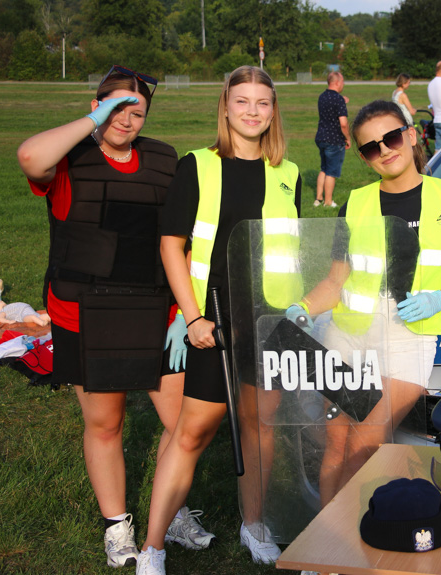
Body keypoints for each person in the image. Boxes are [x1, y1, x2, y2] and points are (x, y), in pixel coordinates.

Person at [16, 65, 211, 568]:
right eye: (115, 107)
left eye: (136, 109)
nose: (126, 118)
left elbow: (182, 238)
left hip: (157, 309)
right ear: (96, 105)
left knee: (183, 422)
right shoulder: (69, 157)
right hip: (86, 310)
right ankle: (117, 525)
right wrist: (93, 119)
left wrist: (183, 311)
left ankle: (171, 511)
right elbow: (28, 156)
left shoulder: (166, 160)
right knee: (106, 423)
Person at [136, 66, 303, 575]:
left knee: (261, 427)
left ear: (274, 111)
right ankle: (153, 547)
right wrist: (192, 317)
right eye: (243, 102)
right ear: (225, 107)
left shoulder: (288, 172)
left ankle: (254, 525)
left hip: (270, 320)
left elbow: (291, 251)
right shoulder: (198, 166)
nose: (253, 112)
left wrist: (297, 309)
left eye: (263, 103)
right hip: (214, 322)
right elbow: (171, 245)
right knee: (193, 432)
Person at [290, 100, 441, 506]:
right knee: (336, 439)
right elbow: (335, 280)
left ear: (412, 135)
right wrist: (303, 308)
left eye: (392, 137)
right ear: (364, 157)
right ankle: (326, 551)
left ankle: (352, 540)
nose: (384, 150)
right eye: (370, 147)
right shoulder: (356, 203)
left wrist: (440, 298)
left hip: (409, 336)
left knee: (367, 436)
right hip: (348, 335)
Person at [314, 70, 350, 208]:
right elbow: (343, 123)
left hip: (321, 137)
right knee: (331, 172)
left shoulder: (322, 96)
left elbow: (331, 106)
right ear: (337, 82)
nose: (343, 84)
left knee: (323, 168)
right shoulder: (338, 99)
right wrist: (347, 138)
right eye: (343, 82)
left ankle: (318, 199)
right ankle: (328, 202)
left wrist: (342, 100)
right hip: (334, 139)